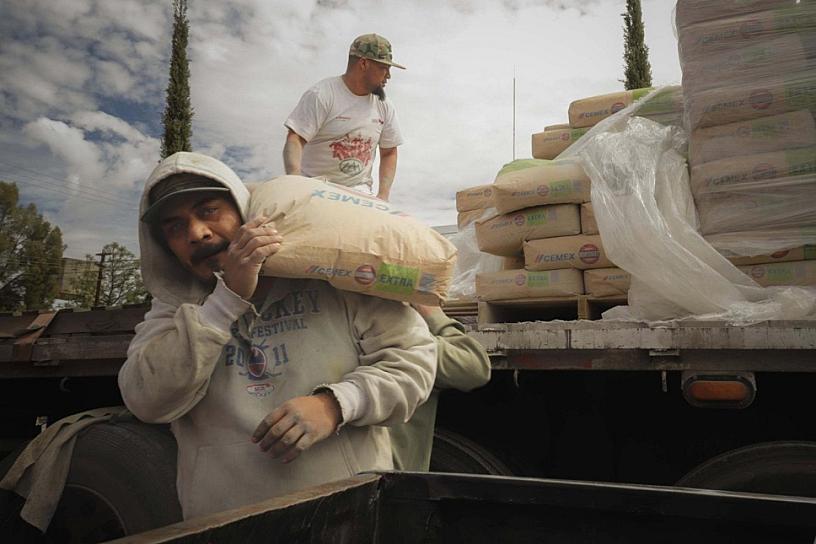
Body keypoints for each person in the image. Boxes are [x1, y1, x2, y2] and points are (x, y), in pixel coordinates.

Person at [118, 151, 437, 520]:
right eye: (174, 227)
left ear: (243, 211)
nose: (196, 233)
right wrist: (225, 302)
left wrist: (334, 405)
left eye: (208, 211)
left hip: (349, 518)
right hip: (225, 527)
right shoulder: (174, 308)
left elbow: (412, 362)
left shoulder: (332, 276)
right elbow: (145, 398)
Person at [283, 33, 404, 201]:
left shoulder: (384, 106)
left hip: (359, 194)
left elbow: (389, 152)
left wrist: (383, 195)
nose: (388, 76)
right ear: (363, 63)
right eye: (384, 69)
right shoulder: (322, 95)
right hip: (316, 189)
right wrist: (295, 182)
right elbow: (295, 139)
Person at [389, 304, 491, 471]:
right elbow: (475, 367)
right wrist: (433, 313)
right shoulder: (397, 337)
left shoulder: (342, 333)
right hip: (392, 483)